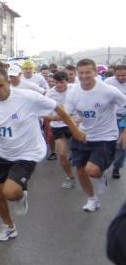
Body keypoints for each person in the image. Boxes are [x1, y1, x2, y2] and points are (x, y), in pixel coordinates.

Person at [0, 68, 84, 241]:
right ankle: (9, 226)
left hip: (28, 152)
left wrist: (75, 130)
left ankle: (21, 194)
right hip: (4, 152)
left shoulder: (27, 97)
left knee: (11, 192)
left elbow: (57, 107)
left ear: (9, 82)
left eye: (1, 85)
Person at [64, 59, 126, 212]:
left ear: (95, 73)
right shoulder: (73, 92)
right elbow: (68, 114)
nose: (84, 76)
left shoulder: (108, 90)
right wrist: (73, 121)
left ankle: (100, 175)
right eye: (81, 73)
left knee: (92, 170)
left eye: (88, 72)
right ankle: (92, 199)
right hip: (83, 135)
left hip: (105, 137)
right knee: (80, 171)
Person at [45, 71, 77, 188]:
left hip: (75, 123)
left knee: (85, 151)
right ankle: (70, 177)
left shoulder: (74, 89)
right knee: (62, 154)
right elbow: (43, 114)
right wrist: (56, 117)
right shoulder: (49, 94)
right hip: (58, 125)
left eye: (61, 82)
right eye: (56, 82)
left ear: (67, 82)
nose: (58, 85)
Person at [105, 65, 126, 179]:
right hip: (110, 117)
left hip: (124, 118)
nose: (121, 78)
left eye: (123, 75)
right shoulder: (108, 82)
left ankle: (117, 167)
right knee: (110, 143)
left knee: (122, 145)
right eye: (118, 75)